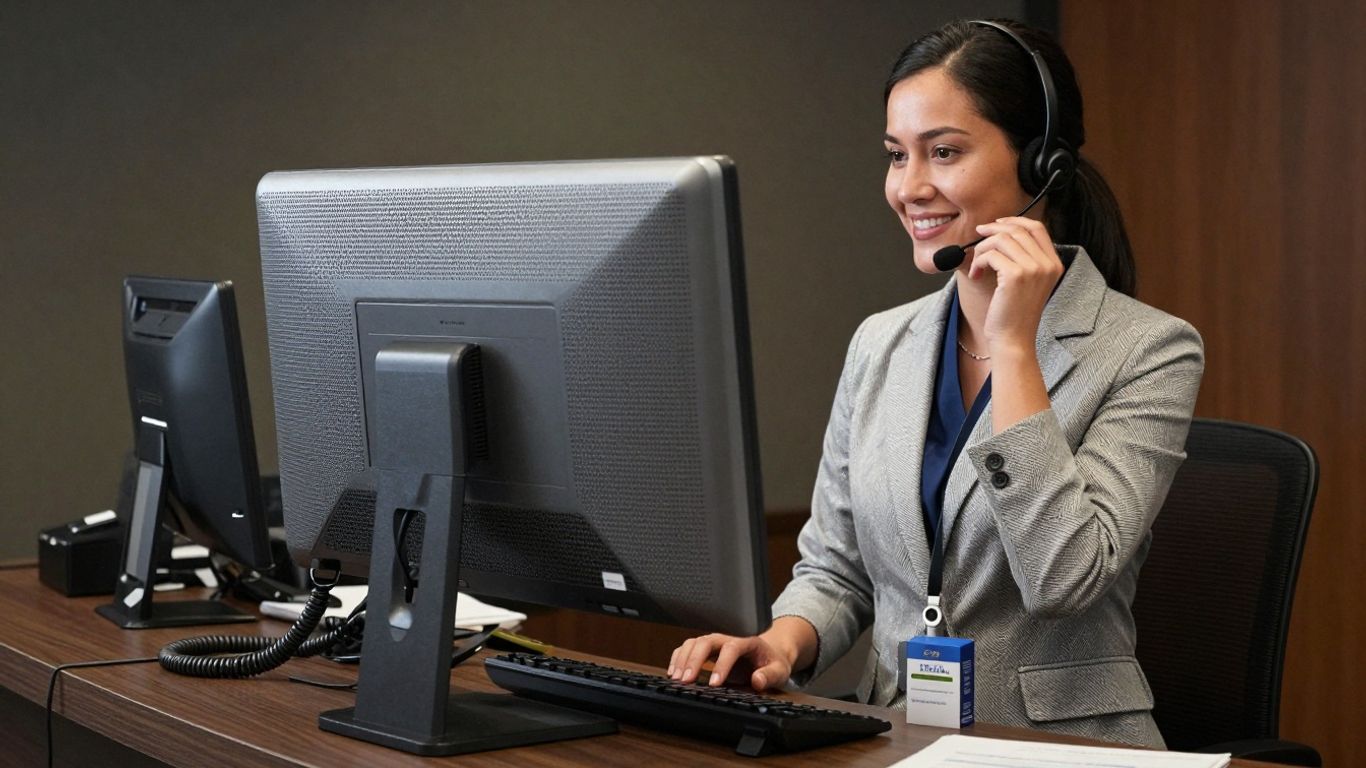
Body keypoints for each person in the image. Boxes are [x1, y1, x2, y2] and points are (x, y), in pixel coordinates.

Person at [667, 19, 1203, 748]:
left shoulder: (1149, 350)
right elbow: (836, 568)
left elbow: (1064, 578)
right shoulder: (881, 343)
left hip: (1065, 751)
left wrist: (1014, 347)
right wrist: (781, 644)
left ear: (1041, 164)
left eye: (943, 152)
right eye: (896, 156)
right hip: (898, 735)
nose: (909, 188)